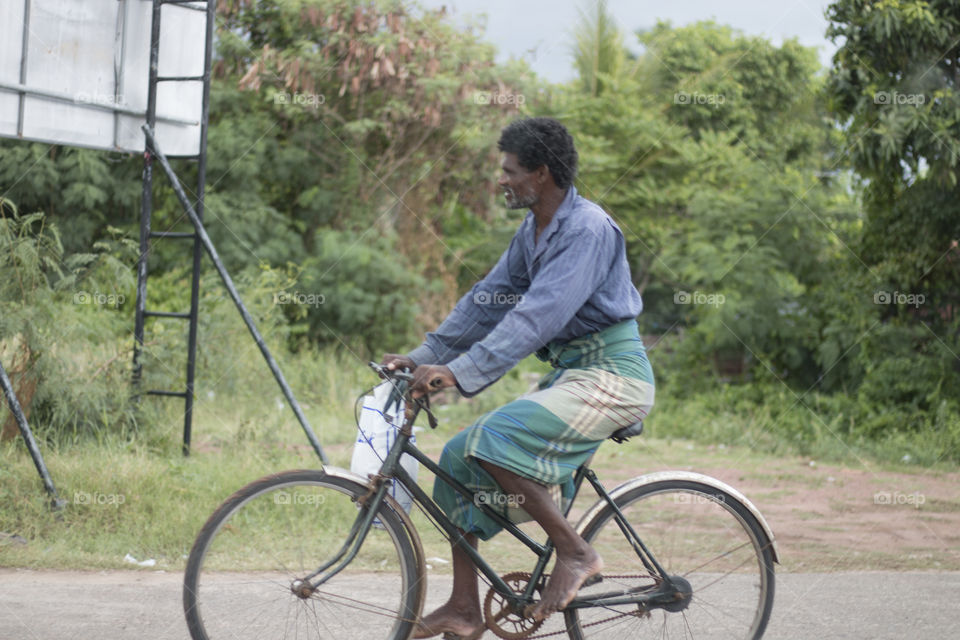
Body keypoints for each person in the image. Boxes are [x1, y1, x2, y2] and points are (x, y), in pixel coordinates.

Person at [381, 117, 655, 640]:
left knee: (493, 437)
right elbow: (484, 303)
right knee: (457, 456)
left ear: (541, 173)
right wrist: (421, 360)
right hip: (574, 376)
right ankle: (465, 608)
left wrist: (458, 372)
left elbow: (536, 318)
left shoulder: (588, 230)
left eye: (509, 171)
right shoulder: (532, 232)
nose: (501, 180)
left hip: (613, 377)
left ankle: (576, 552)